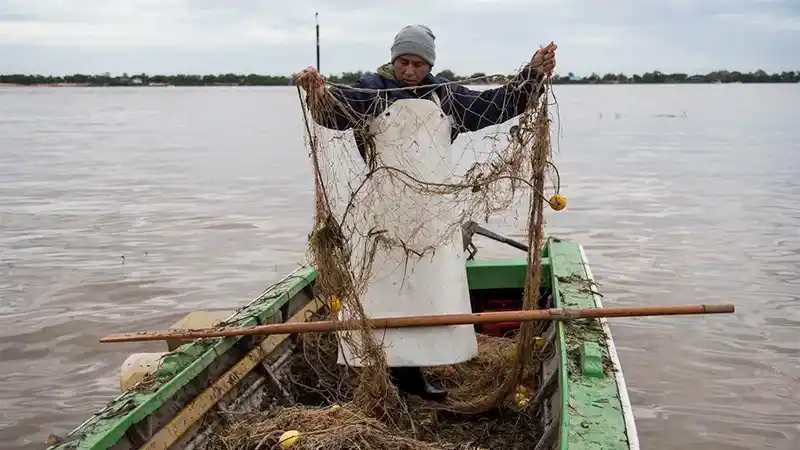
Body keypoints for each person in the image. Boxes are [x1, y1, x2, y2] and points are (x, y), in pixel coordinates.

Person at [297, 25, 557, 402]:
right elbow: (335, 113)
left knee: (428, 292)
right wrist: (317, 93)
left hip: (432, 215)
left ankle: (414, 376)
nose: (409, 70)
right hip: (382, 215)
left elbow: (494, 105)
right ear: (393, 59)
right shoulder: (371, 89)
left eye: (418, 64)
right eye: (403, 61)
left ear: (430, 65)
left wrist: (532, 75)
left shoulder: (446, 95)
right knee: (385, 295)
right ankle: (387, 374)